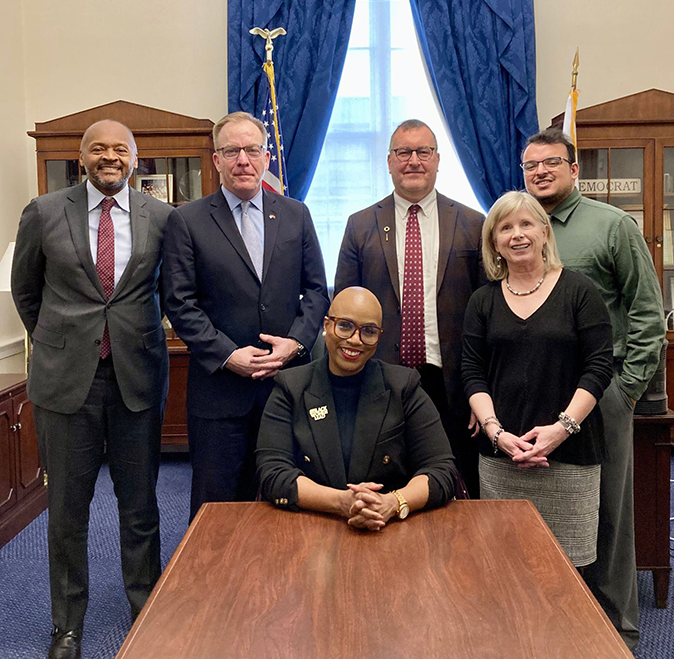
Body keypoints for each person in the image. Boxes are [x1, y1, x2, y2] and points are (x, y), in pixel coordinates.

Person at [11, 120, 173, 659]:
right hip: (65, 384)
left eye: (120, 149)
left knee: (141, 505)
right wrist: (61, 341)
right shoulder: (44, 211)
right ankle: (66, 627)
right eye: (98, 148)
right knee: (66, 509)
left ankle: (145, 608)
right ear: (81, 157)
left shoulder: (162, 218)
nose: (110, 157)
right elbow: (27, 291)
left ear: (135, 157)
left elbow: (173, 291)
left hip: (138, 377)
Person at [523, 128, 664, 651]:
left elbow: (648, 312)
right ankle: (554, 628)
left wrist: (626, 389)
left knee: (608, 515)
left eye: (551, 163)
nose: (540, 172)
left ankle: (617, 635)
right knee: (552, 513)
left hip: (602, 392)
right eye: (531, 165)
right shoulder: (516, 224)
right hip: (537, 394)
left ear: (574, 169)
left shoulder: (611, 226)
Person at [163, 111, 328, 522]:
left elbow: (317, 292)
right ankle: (212, 585)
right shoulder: (187, 220)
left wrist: (295, 343)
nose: (243, 160)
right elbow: (179, 301)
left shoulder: (295, 214)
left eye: (252, 150)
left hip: (287, 384)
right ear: (216, 159)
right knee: (217, 503)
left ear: (266, 157)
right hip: (220, 390)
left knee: (288, 496)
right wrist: (228, 354)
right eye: (231, 150)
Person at [462, 191, 613, 567]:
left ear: (544, 232)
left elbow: (599, 366)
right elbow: (472, 372)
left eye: (526, 224)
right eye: (506, 227)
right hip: (503, 458)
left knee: (570, 574)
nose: (517, 234)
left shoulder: (580, 291)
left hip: (570, 456)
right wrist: (496, 433)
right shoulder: (482, 300)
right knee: (505, 569)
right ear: (494, 242)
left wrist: (560, 430)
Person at [334, 119, 484, 497]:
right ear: (389, 161)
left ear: (437, 160)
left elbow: (486, 315)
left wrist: (480, 390)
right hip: (380, 381)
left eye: (423, 152)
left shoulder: (472, 223)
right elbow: (342, 311)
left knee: (454, 484)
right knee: (384, 484)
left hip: (451, 383)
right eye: (404, 152)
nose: (413, 160)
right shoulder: (360, 225)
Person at [256, 287, 461, 528]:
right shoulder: (290, 387)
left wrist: (392, 503)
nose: (355, 340)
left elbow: (442, 470)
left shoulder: (403, 386)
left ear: (379, 336)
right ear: (326, 325)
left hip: (391, 528)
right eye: (344, 326)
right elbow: (273, 472)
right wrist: (341, 502)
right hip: (310, 527)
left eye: (369, 331)